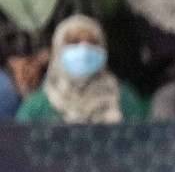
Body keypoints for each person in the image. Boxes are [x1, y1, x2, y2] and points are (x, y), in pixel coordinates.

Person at [16, 14, 146, 122]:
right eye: (74, 42)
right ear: (57, 50)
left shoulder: (125, 101)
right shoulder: (36, 109)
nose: (84, 49)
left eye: (93, 42)